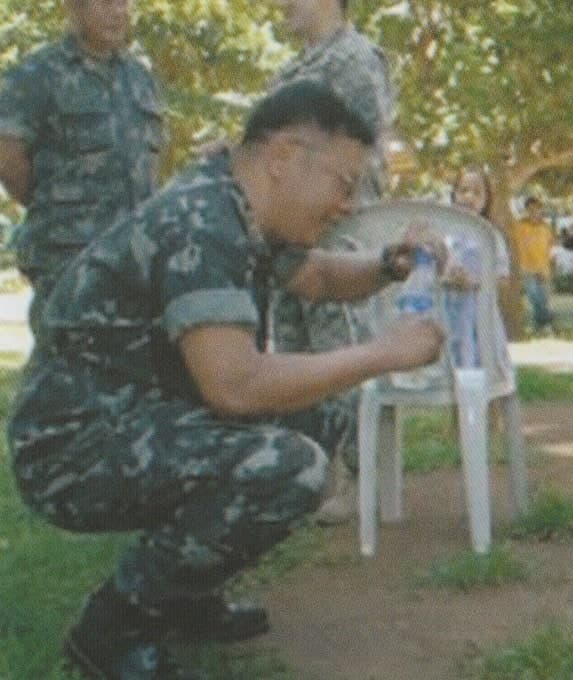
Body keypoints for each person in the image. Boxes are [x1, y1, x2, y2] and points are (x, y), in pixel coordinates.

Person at [7, 81, 444, 680]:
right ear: (284, 155)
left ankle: (183, 597)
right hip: (72, 446)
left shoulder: (240, 206)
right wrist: (382, 353)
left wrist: (388, 265)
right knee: (290, 467)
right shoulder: (202, 222)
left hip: (134, 416)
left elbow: (314, 276)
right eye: (343, 183)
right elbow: (234, 385)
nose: (346, 204)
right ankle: (112, 627)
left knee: (320, 419)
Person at [269, 0, 397, 525]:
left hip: (338, 235)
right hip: (290, 238)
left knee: (340, 354)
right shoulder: (293, 69)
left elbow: (357, 149)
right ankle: (311, 480)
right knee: (297, 360)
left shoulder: (355, 60)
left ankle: (357, 479)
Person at [0, 0, 165, 335]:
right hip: (69, 257)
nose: (118, 12)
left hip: (135, 258)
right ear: (72, 8)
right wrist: (56, 206)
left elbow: (150, 163)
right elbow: (9, 159)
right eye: (105, 3)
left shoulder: (140, 79)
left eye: (124, 2)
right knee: (65, 370)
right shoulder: (36, 76)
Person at [449, 165, 516, 390]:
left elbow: (502, 277)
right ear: (454, 194)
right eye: (463, 190)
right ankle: (458, 424)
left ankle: (490, 421)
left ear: (487, 200)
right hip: (452, 316)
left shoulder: (490, 236)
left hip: (482, 318)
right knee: (456, 378)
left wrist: (476, 282)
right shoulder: (446, 234)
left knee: (487, 376)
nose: (468, 197)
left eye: (477, 192)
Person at [511, 195, 555, 333]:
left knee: (543, 297)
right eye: (531, 209)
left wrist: (550, 266)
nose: (534, 212)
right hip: (527, 268)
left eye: (537, 209)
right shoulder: (520, 226)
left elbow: (551, 248)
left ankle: (540, 325)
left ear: (540, 210)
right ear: (527, 210)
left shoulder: (546, 228)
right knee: (533, 295)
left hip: (543, 268)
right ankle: (547, 319)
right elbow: (515, 246)